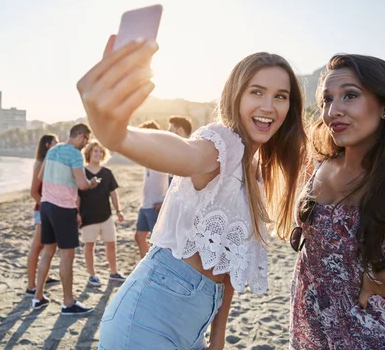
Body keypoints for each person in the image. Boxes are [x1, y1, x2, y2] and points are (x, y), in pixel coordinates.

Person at [77, 36, 306, 350]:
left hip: (193, 327)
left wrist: (219, 337)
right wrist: (119, 137)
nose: (269, 106)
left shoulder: (252, 170)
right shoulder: (221, 143)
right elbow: (185, 154)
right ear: (236, 96)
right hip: (146, 322)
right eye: (257, 92)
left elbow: (224, 268)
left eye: (280, 96)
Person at [290, 54, 385, 349]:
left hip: (376, 332)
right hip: (314, 325)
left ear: (384, 105)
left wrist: (382, 274)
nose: (333, 111)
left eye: (350, 95)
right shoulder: (322, 165)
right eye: (326, 100)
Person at [31, 123, 100, 316]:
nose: (86, 145)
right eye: (86, 140)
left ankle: (37, 297)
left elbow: (41, 175)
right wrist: (92, 183)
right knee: (67, 256)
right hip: (63, 208)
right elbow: (82, 185)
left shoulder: (53, 150)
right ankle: (68, 304)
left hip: (46, 206)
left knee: (48, 252)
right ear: (80, 136)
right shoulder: (74, 154)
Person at [78, 140, 126, 287]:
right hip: (88, 217)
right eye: (95, 151)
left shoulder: (107, 173)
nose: (98, 154)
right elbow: (77, 195)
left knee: (111, 244)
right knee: (89, 246)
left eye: (100, 152)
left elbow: (113, 193)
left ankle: (113, 273)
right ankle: (92, 275)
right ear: (89, 153)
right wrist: (77, 213)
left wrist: (118, 210)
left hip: (106, 216)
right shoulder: (82, 172)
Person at [26, 134, 59, 296]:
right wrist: (46, 208)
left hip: (46, 209)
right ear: (47, 145)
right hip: (42, 210)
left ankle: (44, 277)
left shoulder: (48, 163)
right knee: (37, 247)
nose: (58, 145)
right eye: (55, 143)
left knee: (48, 246)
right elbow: (33, 191)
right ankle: (31, 286)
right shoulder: (40, 164)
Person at [134, 120, 169, 259]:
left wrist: (165, 202)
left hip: (156, 205)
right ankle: (146, 266)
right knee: (139, 237)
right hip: (145, 204)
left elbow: (174, 181)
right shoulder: (147, 155)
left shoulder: (162, 155)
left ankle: (157, 267)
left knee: (158, 242)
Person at [167, 115, 193, 185]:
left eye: (170, 131)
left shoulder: (190, 157)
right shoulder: (174, 155)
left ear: (180, 131)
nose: (168, 134)